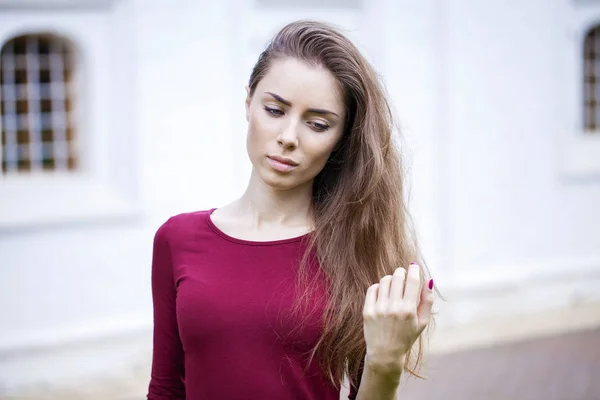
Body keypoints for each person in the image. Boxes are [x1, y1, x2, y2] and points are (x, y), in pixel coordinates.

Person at [147, 20, 435, 400]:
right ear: (248, 102)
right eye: (274, 109)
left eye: (317, 124)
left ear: (340, 139)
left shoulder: (358, 251)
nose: (288, 137)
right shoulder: (177, 240)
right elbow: (167, 389)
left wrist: (386, 362)